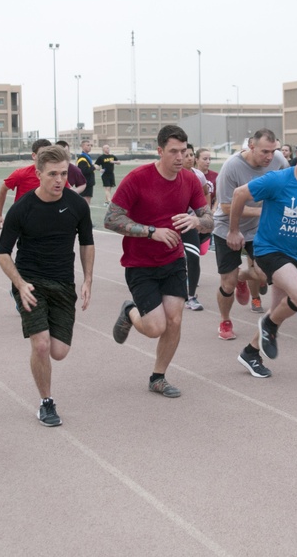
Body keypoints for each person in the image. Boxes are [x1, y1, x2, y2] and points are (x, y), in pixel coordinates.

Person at [104, 125, 212, 398]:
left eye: (184, 151)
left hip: (173, 260)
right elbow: (111, 219)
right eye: (173, 151)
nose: (180, 157)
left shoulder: (189, 181)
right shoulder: (138, 178)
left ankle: (158, 377)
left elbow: (209, 218)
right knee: (155, 327)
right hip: (140, 263)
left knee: (174, 320)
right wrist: (152, 232)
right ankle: (130, 310)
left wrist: (197, 221)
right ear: (160, 151)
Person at [0, 145, 94, 427]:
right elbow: (3, 253)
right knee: (40, 346)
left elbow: (87, 243)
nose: (60, 180)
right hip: (31, 282)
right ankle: (46, 403)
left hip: (63, 283)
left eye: (64, 174)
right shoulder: (23, 208)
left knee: (58, 352)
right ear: (38, 173)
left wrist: (88, 279)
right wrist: (19, 283)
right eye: (52, 174)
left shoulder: (77, 205)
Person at [229, 133, 297, 377]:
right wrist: (234, 230)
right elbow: (238, 195)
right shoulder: (277, 180)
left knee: (277, 309)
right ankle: (268, 325)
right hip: (269, 250)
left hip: (296, 254)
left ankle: (251, 352)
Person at [211, 130, 287, 340]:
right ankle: (225, 321)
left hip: (258, 228)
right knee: (227, 282)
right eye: (265, 152)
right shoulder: (232, 167)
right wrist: (262, 212)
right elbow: (226, 207)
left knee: (265, 275)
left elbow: (290, 182)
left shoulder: (278, 159)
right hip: (227, 226)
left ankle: (242, 278)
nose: (270, 157)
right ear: (251, 147)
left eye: (273, 151)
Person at [0, 138, 52, 229]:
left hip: (48, 219)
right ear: (34, 155)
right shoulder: (21, 174)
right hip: (24, 220)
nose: (45, 157)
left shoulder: (56, 174)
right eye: (42, 154)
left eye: (48, 154)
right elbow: (3, 189)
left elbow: (67, 193)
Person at [182, 144, 212, 311]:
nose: (188, 158)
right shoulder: (170, 174)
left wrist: (203, 217)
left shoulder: (198, 176)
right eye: (185, 155)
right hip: (168, 223)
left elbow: (206, 192)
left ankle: (191, 297)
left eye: (191, 155)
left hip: (190, 221)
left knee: (193, 257)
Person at [76, 140, 96, 205]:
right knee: (85, 202)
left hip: (89, 182)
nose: (90, 147)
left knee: (88, 200)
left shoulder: (87, 156)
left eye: (90, 145)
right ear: (82, 146)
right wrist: (94, 167)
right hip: (85, 182)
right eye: (88, 145)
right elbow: (83, 171)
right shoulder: (82, 157)